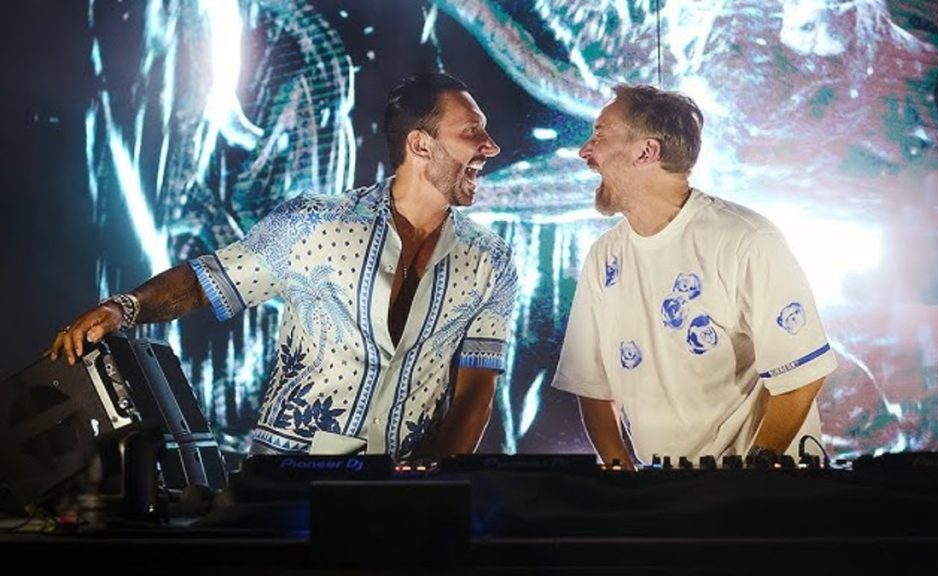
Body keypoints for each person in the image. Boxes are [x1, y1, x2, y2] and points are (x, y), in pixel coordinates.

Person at [50, 72, 517, 460]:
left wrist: (437, 476)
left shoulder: (491, 259)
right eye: (471, 131)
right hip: (289, 479)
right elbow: (207, 281)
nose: (491, 146)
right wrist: (122, 308)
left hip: (403, 489)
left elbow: (477, 389)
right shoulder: (314, 222)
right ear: (420, 144)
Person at [552, 84, 838, 469]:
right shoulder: (603, 257)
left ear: (646, 151)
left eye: (600, 135)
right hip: (662, 494)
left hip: (761, 495)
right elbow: (592, 386)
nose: (585, 151)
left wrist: (751, 476)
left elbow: (801, 377)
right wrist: (624, 480)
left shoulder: (747, 240)